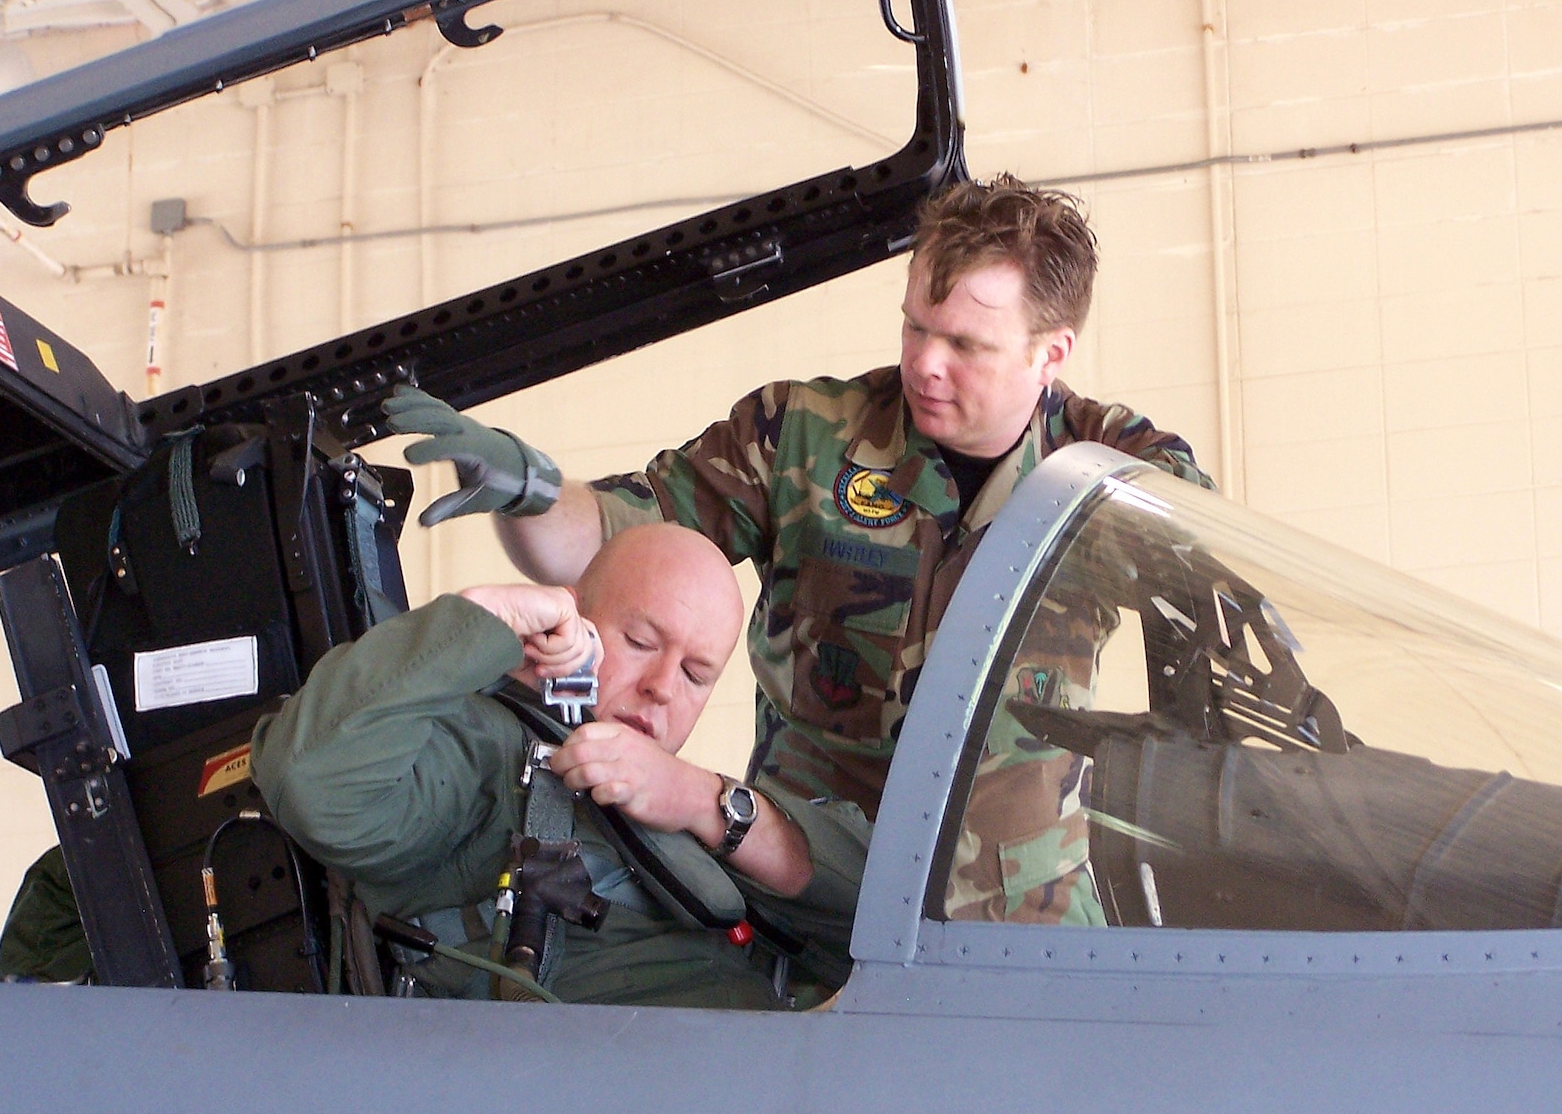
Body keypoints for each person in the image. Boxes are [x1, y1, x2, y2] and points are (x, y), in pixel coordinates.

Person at [385, 173, 1213, 925]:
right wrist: (526, 489)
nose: (925, 363)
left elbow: (1204, 579)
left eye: (965, 345)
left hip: (1025, 915)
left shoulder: (1113, 470)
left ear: (1050, 353)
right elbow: (601, 542)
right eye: (915, 326)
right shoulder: (803, 437)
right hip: (809, 887)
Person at [251, 522, 866, 1007]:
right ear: (575, 622)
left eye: (694, 674)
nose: (660, 686)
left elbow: (887, 915)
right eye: (641, 643)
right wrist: (487, 627)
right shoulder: (485, 749)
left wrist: (702, 802)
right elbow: (311, 783)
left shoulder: (682, 816)